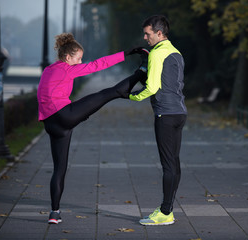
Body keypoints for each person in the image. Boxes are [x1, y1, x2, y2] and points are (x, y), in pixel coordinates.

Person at [37, 33, 148, 224]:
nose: (80, 62)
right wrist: (126, 53)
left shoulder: (48, 70)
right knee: (108, 93)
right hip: (66, 116)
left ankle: (54, 213)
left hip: (51, 125)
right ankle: (141, 72)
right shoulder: (66, 69)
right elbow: (99, 64)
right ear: (67, 57)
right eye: (78, 59)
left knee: (59, 169)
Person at [129, 15, 187, 225]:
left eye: (148, 34)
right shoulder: (177, 53)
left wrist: (133, 96)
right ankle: (167, 210)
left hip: (165, 114)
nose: (145, 37)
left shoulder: (156, 53)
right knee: (175, 164)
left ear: (159, 33)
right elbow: (171, 82)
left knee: (168, 165)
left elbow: (152, 88)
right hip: (180, 113)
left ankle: (165, 213)